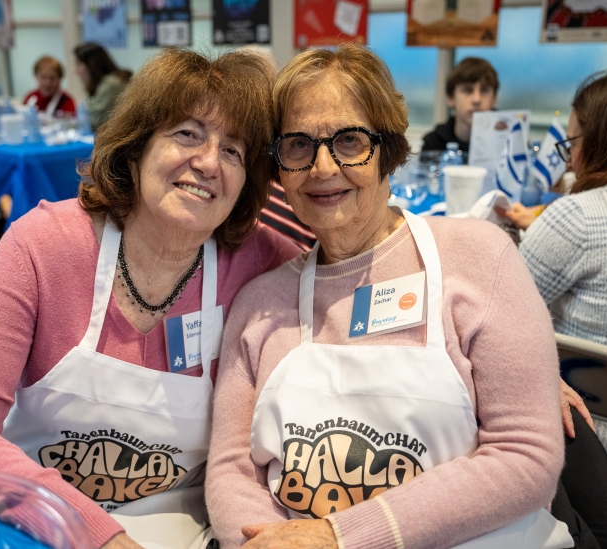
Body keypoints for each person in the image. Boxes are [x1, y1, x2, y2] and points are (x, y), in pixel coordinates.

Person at [0, 48, 301, 549]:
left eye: (233, 151)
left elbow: (347, 270)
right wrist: (93, 533)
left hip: (184, 527)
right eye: (187, 134)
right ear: (135, 148)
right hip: (37, 524)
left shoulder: (261, 263)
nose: (208, 162)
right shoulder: (43, 246)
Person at [206, 44, 573, 548]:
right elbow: (232, 471)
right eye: (298, 145)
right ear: (277, 168)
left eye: (349, 141)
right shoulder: (259, 303)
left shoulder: (478, 258)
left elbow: (525, 456)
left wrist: (339, 538)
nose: (322, 167)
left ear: (389, 150)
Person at [501, 68, 607, 510]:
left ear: (603, 142)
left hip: (592, 451)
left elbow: (503, 317)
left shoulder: (576, 218)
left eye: (573, 143)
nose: (570, 161)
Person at [421, 57, 498, 159]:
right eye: (468, 90)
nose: (477, 99)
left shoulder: (510, 141)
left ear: (494, 99)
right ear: (451, 98)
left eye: (484, 90)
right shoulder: (433, 143)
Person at [73, 42, 131, 132]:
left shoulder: (110, 84)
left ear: (91, 65)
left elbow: (93, 121)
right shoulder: (101, 84)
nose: (77, 71)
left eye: (79, 64)